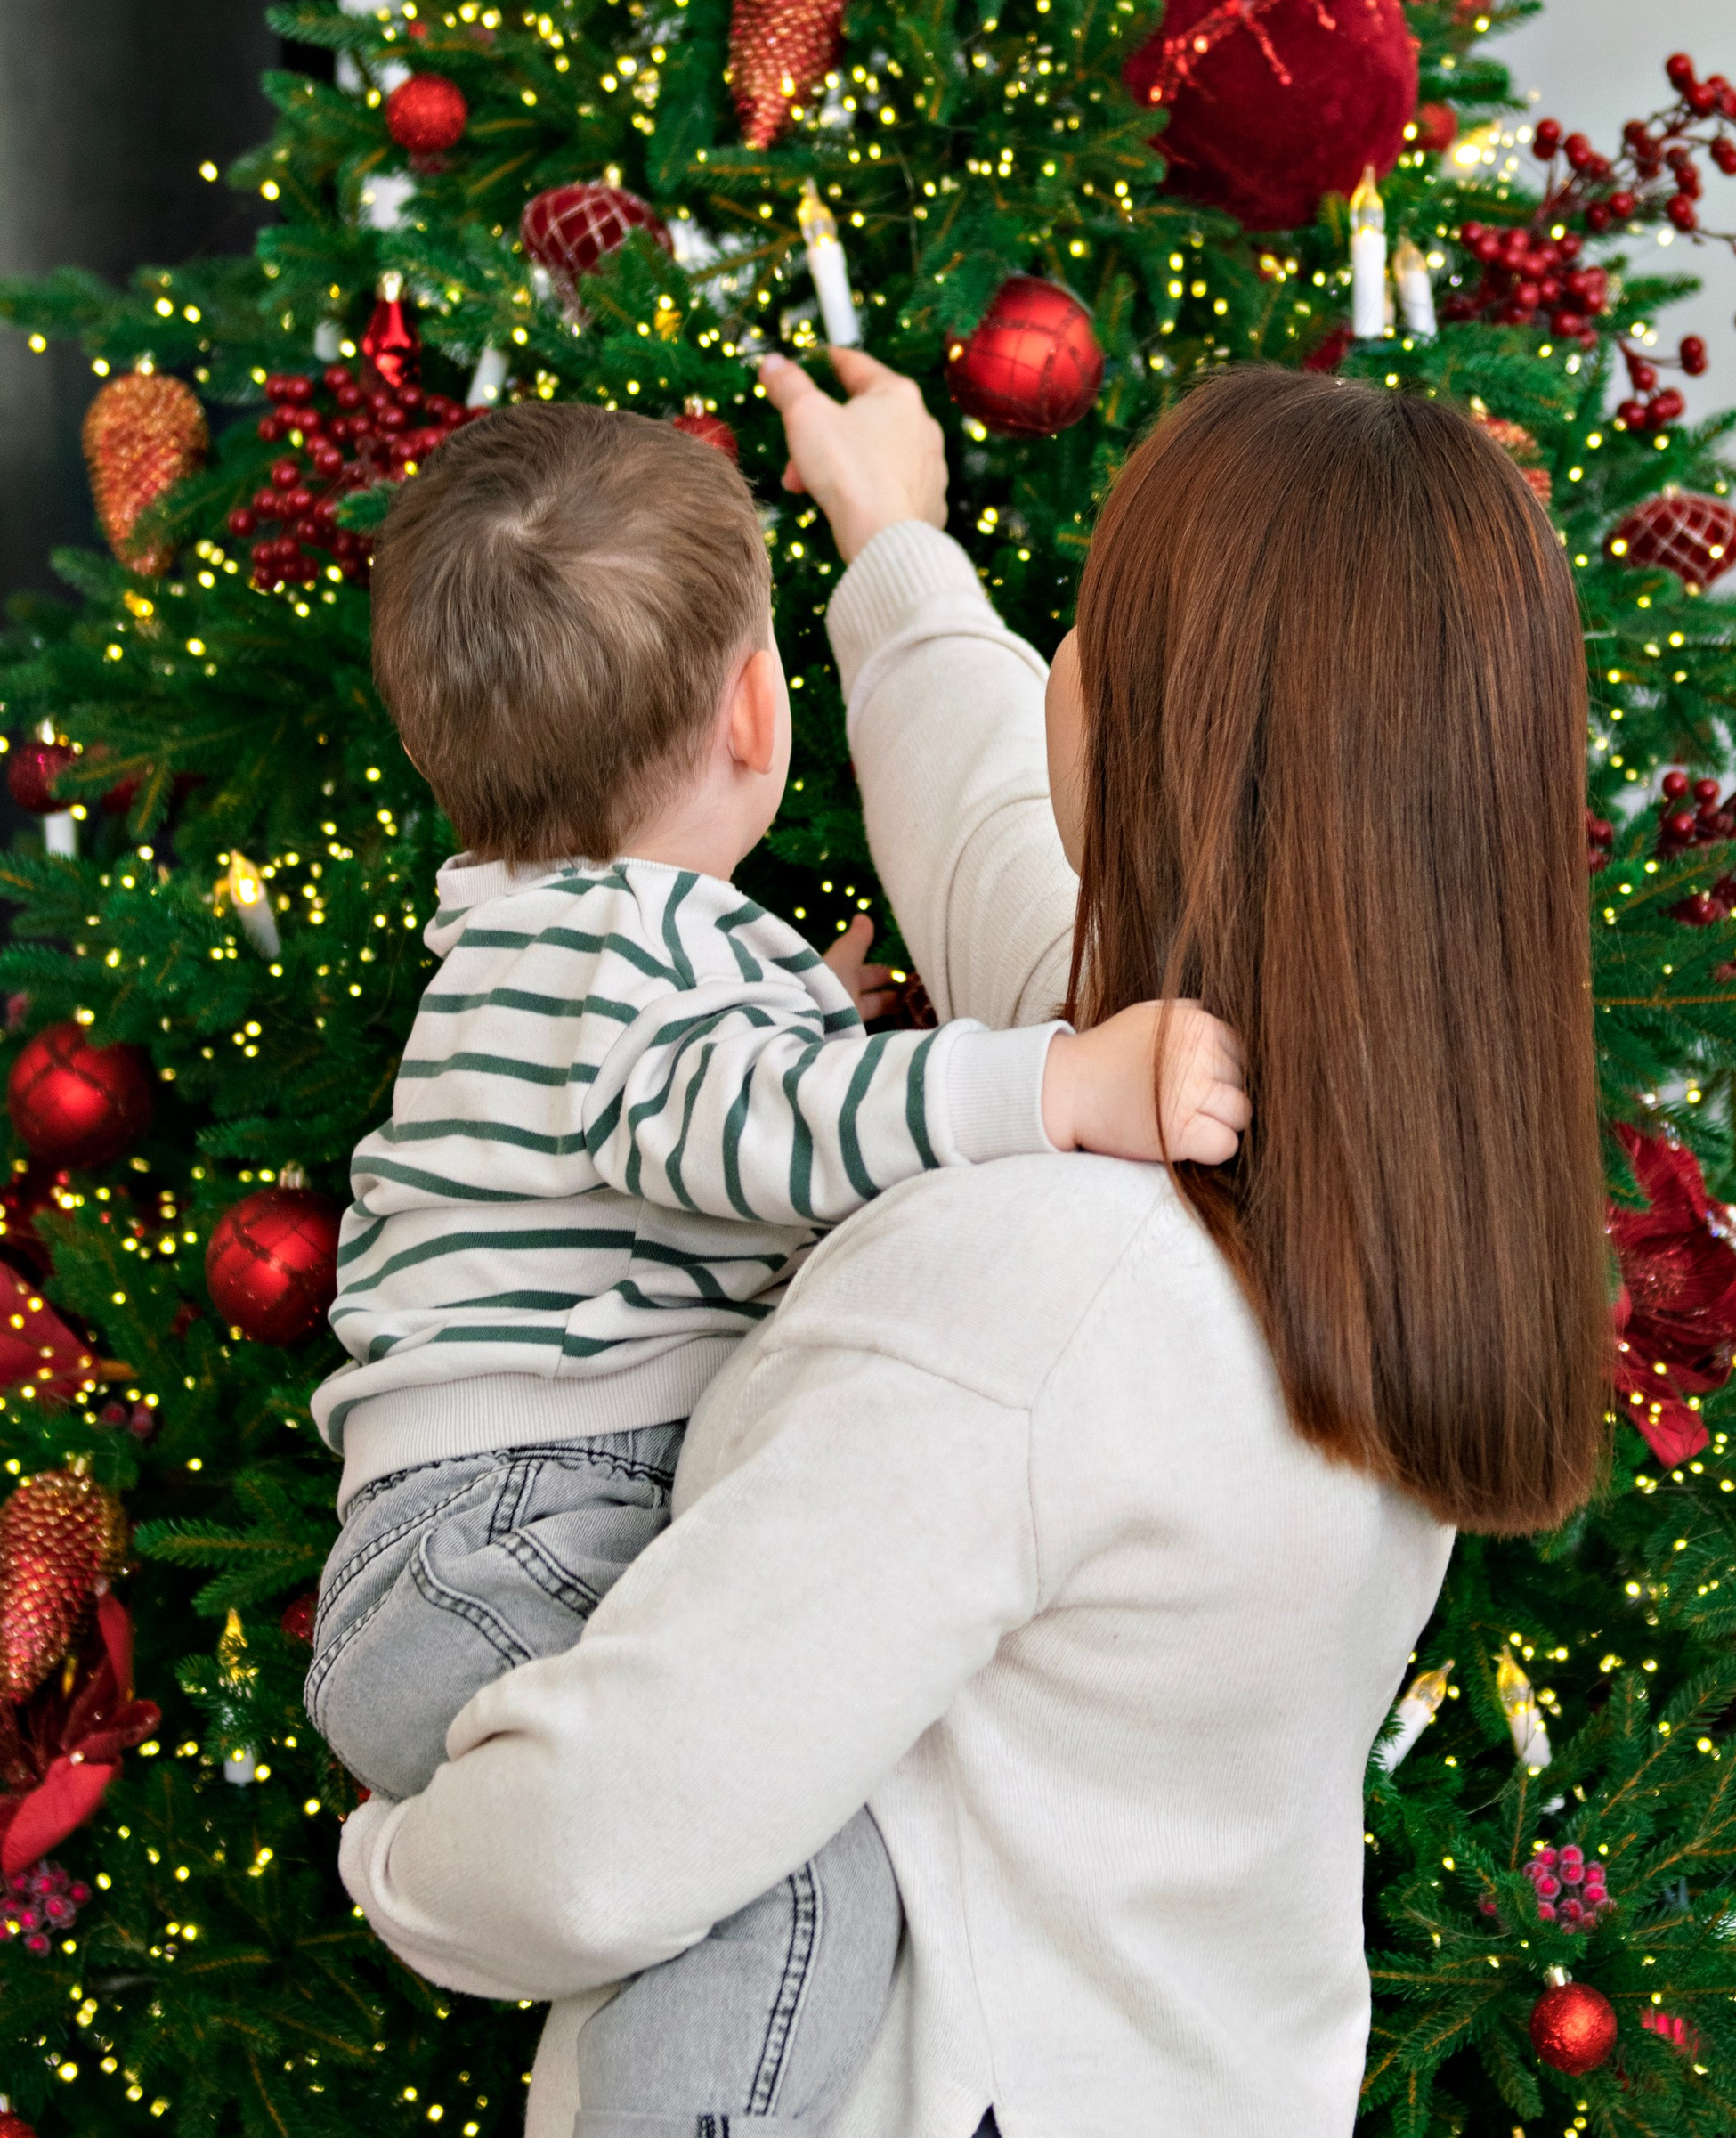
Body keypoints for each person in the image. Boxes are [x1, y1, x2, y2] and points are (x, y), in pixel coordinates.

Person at [340, 360, 1610, 2138]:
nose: (1050, 667)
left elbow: (591, 1840)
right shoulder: (1335, 1175)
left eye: (1083, 618)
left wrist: (393, 1850)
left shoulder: (1036, 1286)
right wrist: (889, 539)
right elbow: (1001, 854)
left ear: (1166, 726)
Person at [307, 402, 1249, 2138]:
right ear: (757, 704)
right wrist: (1068, 1083)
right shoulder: (645, 959)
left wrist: (792, 1013)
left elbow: (681, 1115)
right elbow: (747, 1120)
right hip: (530, 1521)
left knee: (721, 1875)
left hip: (442, 1545)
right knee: (786, 1881)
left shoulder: (531, 940)